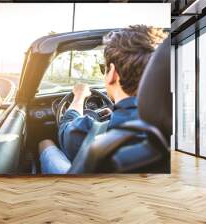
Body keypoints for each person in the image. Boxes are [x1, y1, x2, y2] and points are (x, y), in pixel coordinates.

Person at [39, 25, 166, 174]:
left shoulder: (92, 131)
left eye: (103, 68)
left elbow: (65, 129)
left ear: (112, 73)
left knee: (45, 143)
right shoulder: (169, 125)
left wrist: (79, 96)